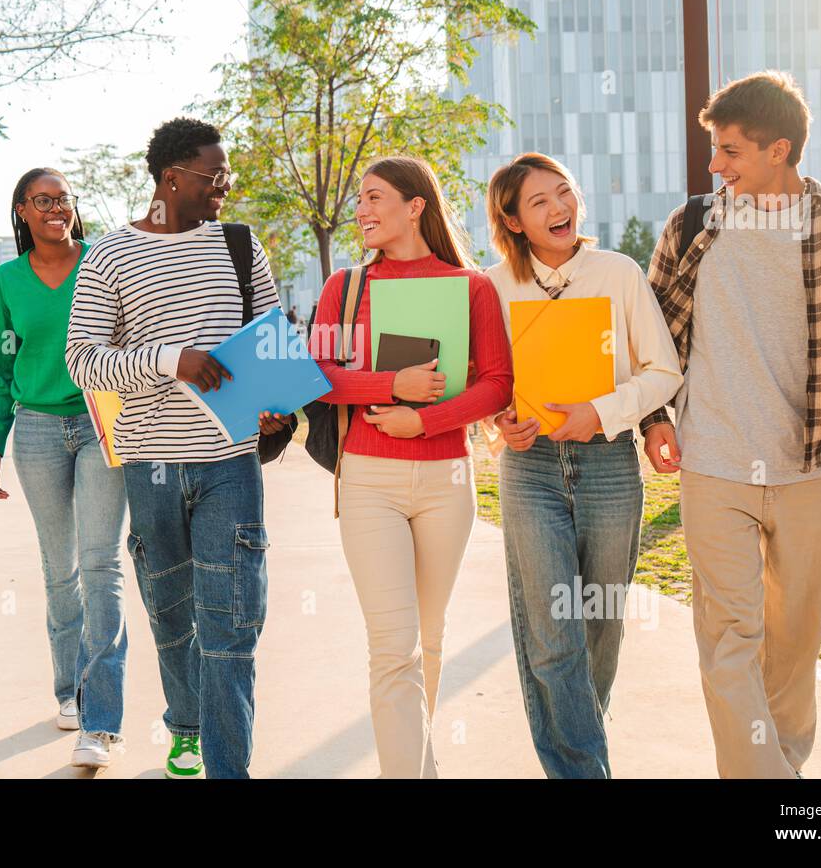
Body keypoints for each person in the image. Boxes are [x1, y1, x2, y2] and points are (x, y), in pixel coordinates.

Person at [640, 71, 821, 778]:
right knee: (728, 640)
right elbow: (649, 336)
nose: (715, 166)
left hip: (809, 463)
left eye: (729, 150)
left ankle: (781, 769)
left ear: (780, 150)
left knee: (795, 645)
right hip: (713, 462)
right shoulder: (691, 226)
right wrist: (652, 418)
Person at [65, 117, 291, 779]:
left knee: (230, 626)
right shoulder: (109, 255)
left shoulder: (242, 246)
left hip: (231, 461)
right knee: (171, 616)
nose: (224, 185)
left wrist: (276, 406)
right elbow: (84, 361)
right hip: (152, 465)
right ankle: (185, 724)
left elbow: (271, 348)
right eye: (212, 174)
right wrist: (172, 360)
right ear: (172, 176)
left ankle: (230, 768)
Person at [309, 156, 512, 778]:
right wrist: (392, 383)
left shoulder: (471, 287)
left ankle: (416, 765)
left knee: (428, 640)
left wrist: (423, 420)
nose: (362, 211)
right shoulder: (343, 288)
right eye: (360, 201)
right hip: (369, 480)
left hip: (448, 482)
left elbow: (498, 383)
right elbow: (314, 376)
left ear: (414, 204)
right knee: (392, 648)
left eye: (375, 198)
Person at [481, 152, 682, 778]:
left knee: (598, 620)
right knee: (550, 630)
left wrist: (599, 412)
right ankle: (583, 769)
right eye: (538, 201)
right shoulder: (492, 285)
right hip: (530, 466)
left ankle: (579, 739)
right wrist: (498, 422)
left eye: (563, 192)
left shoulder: (618, 273)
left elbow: (663, 371)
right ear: (513, 221)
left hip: (609, 464)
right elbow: (488, 382)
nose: (558, 207)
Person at [0, 168, 129, 770]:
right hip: (38, 427)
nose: (55, 209)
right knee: (58, 568)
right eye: (43, 201)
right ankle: (67, 689)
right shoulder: (6, 281)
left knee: (101, 563)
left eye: (63, 199)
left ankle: (102, 717)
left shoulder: (104, 262)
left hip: (103, 420)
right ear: (22, 209)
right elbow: (1, 367)